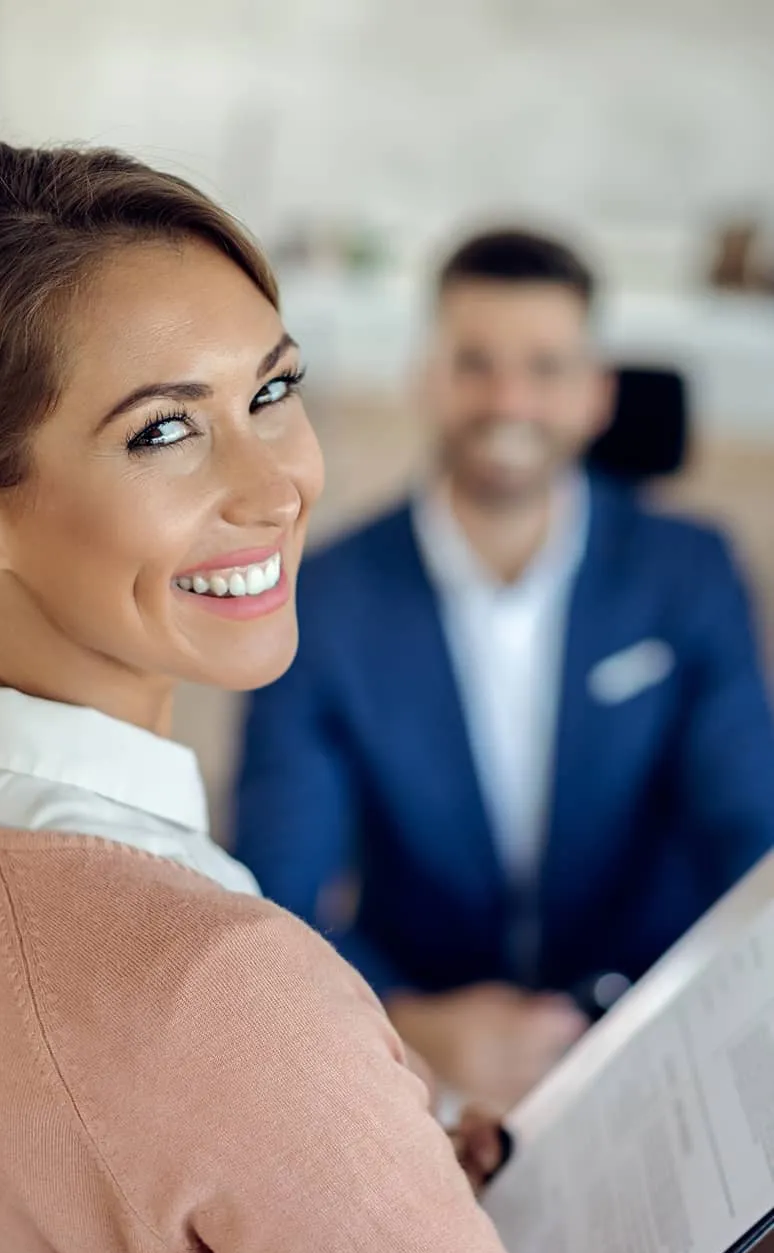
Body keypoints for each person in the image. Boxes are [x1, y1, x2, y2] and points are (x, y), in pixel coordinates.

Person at [0, 145, 554, 1253]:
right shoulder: (219, 984)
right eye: (162, 433)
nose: (277, 487)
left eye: (270, 394)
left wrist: (364, 1172)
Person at [234, 228, 774, 1110]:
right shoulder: (324, 595)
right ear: (427, 378)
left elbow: (750, 835)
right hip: (421, 1054)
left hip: (658, 1033)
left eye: (547, 367)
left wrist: (692, 1012)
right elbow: (276, 885)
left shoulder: (692, 572)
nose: (510, 398)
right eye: (475, 362)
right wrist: (405, 1019)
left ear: (598, 394)